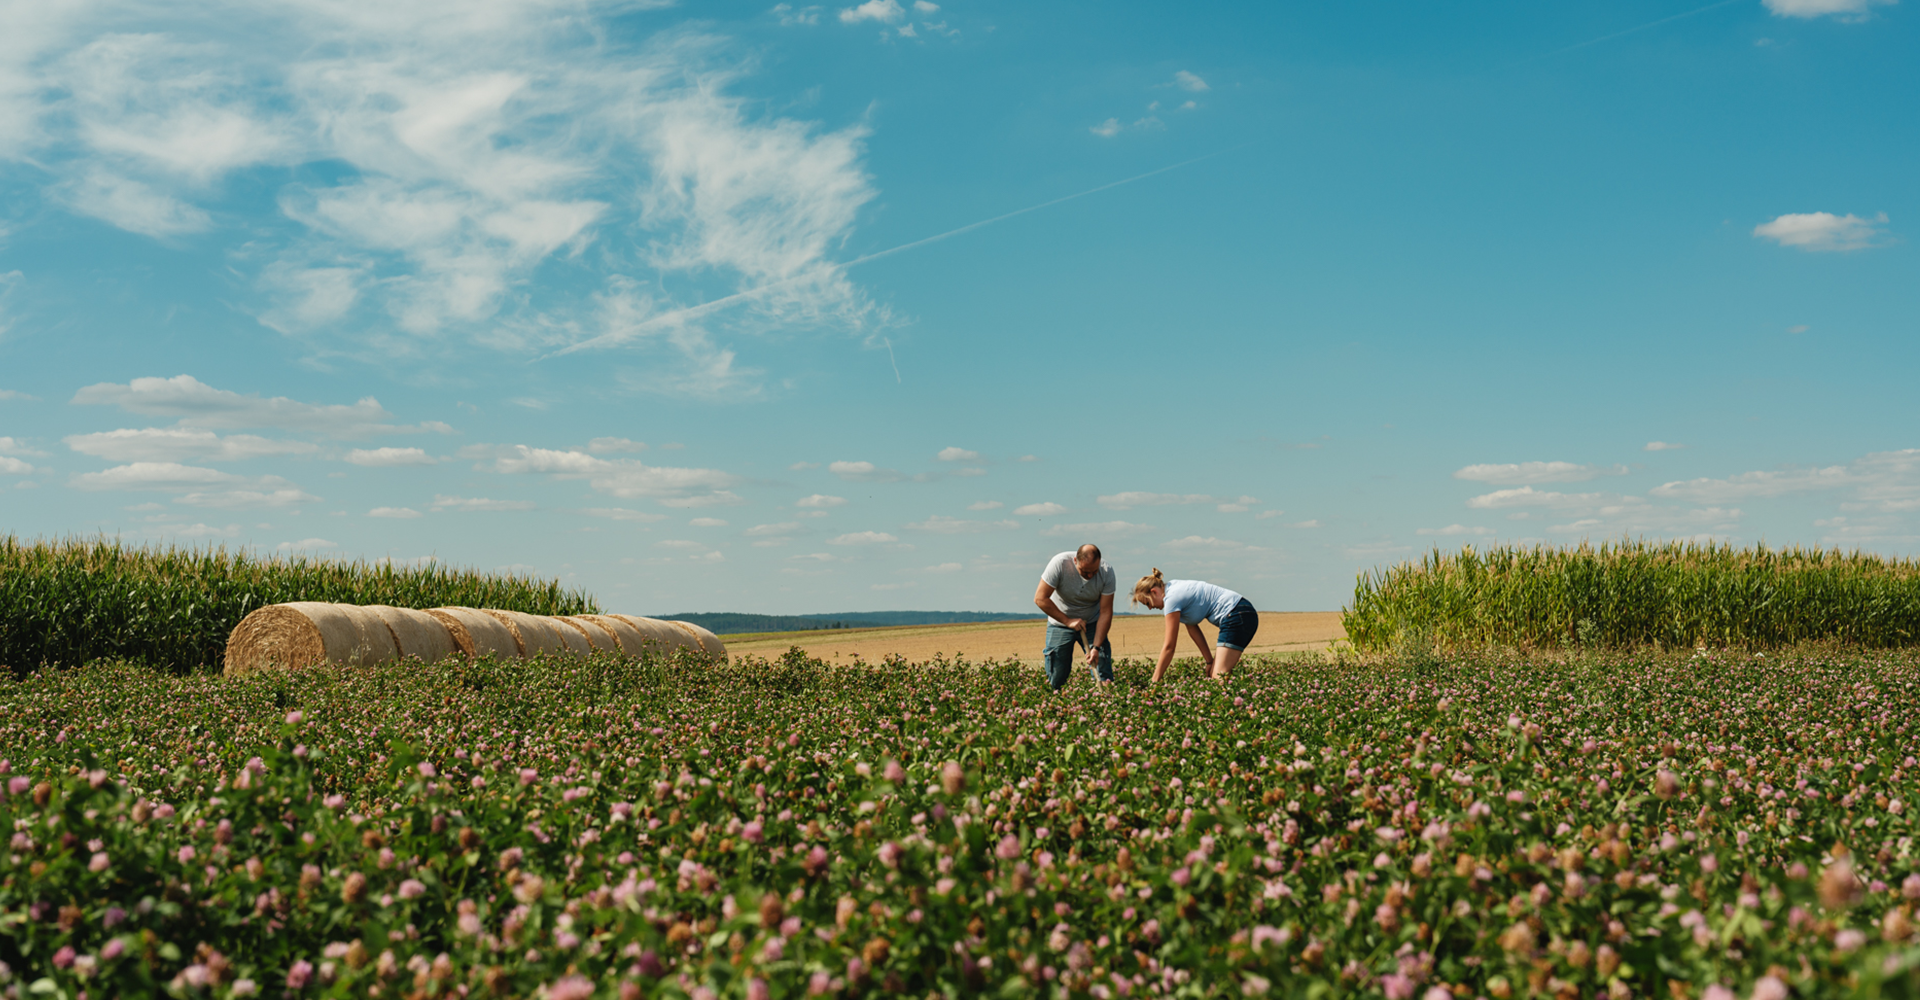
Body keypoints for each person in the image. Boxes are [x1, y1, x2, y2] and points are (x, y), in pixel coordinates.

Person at [1132, 568, 1259, 682]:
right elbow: (1192, 628)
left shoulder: (1171, 599)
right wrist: (1209, 661)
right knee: (1221, 673)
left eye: (1147, 603)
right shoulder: (1174, 587)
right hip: (1243, 610)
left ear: (1154, 592)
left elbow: (1169, 647)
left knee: (1218, 676)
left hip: (1235, 614)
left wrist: (1154, 681)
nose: (1150, 608)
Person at [1032, 543, 1115, 691]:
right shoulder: (1059, 564)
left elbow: (1106, 612)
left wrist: (1096, 647)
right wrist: (1068, 621)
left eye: (1094, 572)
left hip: (1092, 622)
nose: (1090, 576)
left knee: (1101, 666)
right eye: (1085, 572)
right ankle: (1055, 706)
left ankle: (1107, 704)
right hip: (1060, 624)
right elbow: (1040, 598)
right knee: (1056, 673)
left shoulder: (1106, 572)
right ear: (1075, 560)